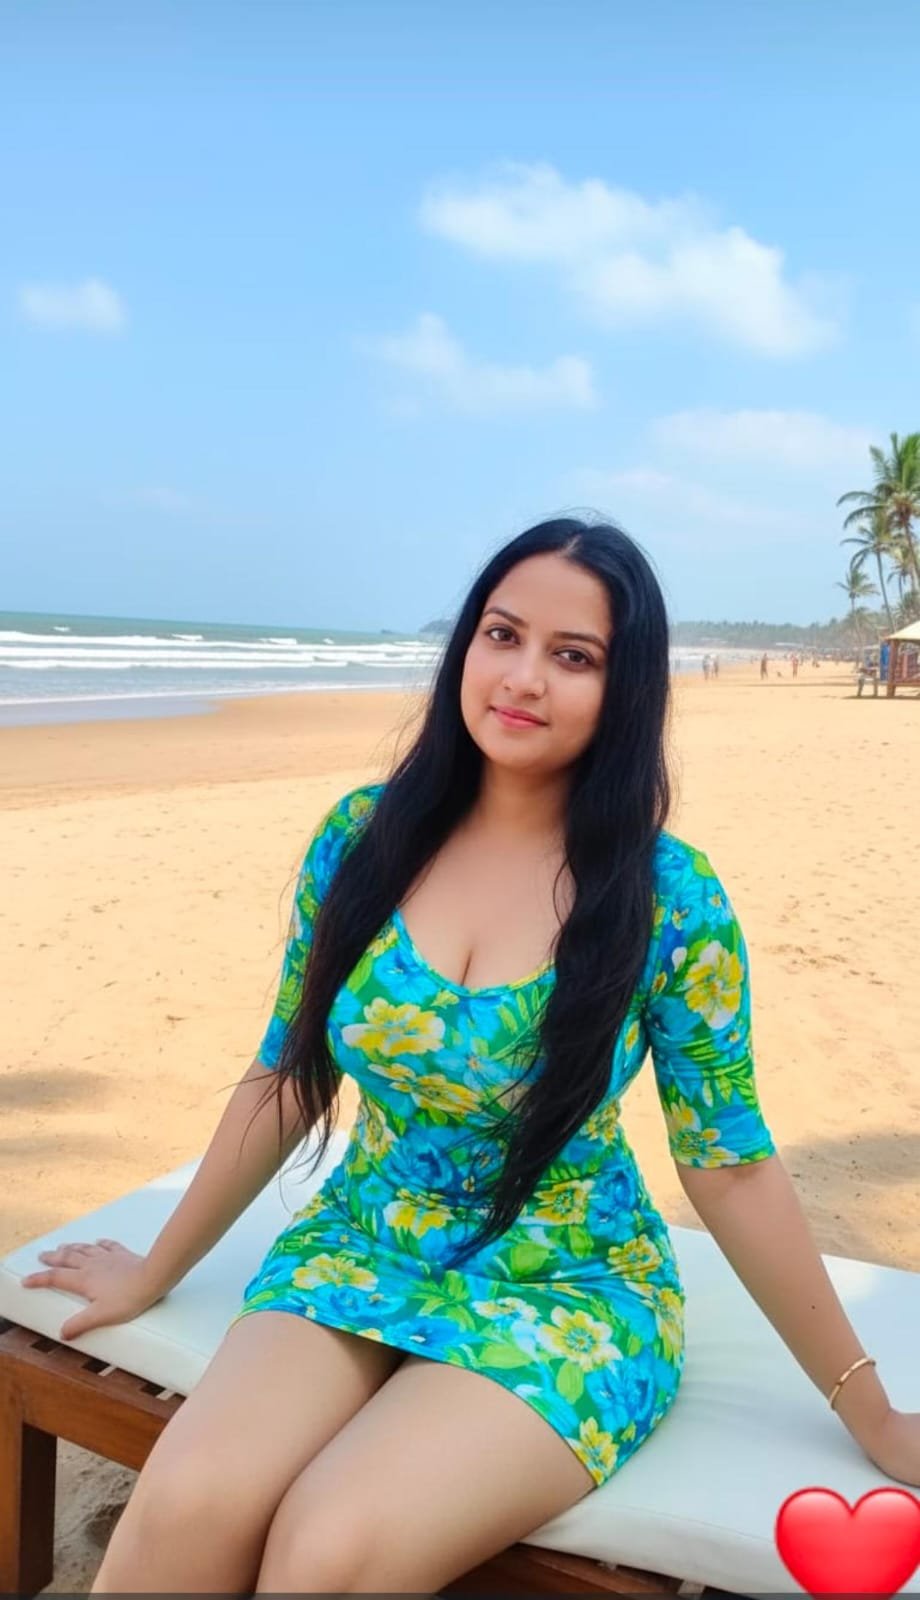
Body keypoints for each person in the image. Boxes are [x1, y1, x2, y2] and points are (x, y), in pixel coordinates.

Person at [23, 517, 920, 1595]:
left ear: (624, 689)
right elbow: (288, 1073)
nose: (523, 676)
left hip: (568, 1286)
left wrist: (869, 1409)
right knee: (185, 1502)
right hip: (362, 1242)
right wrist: (155, 1269)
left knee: (328, 1548)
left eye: (573, 655)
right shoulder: (362, 839)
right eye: (502, 634)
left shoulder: (669, 900)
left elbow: (728, 1163)